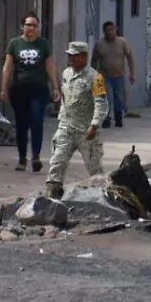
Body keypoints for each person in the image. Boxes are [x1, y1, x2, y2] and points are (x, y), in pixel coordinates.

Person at [44, 42, 108, 200]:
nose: (70, 58)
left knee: (94, 168)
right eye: (69, 55)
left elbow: (101, 103)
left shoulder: (95, 77)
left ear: (84, 57)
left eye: (74, 56)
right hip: (66, 127)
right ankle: (52, 196)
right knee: (57, 161)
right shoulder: (66, 73)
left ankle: (105, 197)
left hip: (86, 130)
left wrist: (94, 125)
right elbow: (66, 99)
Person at [1, 12, 61, 172]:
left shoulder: (43, 44)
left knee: (36, 120)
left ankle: (35, 155)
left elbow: (50, 66)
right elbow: (7, 67)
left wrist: (55, 87)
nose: (31, 28)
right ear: (22, 26)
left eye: (34, 25)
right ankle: (22, 158)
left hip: (39, 90)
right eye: (28, 25)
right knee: (21, 124)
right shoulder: (14, 44)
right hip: (19, 90)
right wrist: (3, 88)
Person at [92, 21, 136, 128]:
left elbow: (130, 58)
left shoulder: (122, 42)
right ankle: (106, 119)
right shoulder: (99, 45)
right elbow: (94, 61)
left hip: (119, 76)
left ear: (115, 30)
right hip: (105, 76)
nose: (110, 32)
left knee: (119, 98)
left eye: (112, 29)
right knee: (108, 98)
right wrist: (93, 77)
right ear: (104, 32)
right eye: (108, 30)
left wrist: (132, 74)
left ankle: (118, 117)